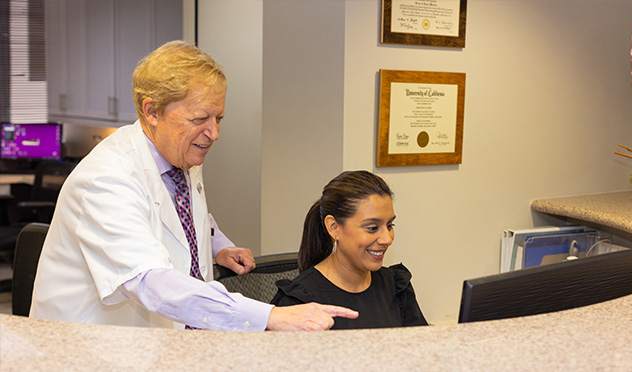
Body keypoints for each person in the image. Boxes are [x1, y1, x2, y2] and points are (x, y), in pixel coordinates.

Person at [30, 40, 357, 331]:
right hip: (88, 350)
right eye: (200, 119)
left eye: (219, 119)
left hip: (163, 342)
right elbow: (151, 282)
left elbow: (178, 212)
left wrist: (218, 245)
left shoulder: (176, 152)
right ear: (152, 110)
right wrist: (270, 316)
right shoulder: (105, 180)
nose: (214, 133)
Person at [271, 170, 427, 329]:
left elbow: (422, 347)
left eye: (389, 226)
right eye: (372, 228)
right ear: (334, 227)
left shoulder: (396, 286)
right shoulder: (297, 303)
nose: (387, 239)